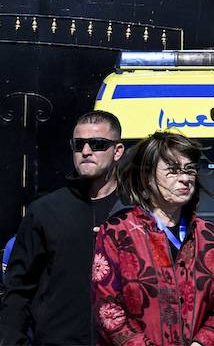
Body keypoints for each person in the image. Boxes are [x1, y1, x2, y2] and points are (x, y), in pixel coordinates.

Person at [92, 130, 214, 346]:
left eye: (189, 170)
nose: (185, 178)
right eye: (173, 170)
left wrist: (202, 343)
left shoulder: (211, 236)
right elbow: (107, 310)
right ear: (148, 177)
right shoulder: (117, 233)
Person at [0, 111, 127, 345]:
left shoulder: (135, 211)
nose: (86, 151)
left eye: (97, 144)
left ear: (117, 151)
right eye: (79, 145)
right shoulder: (45, 211)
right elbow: (18, 290)